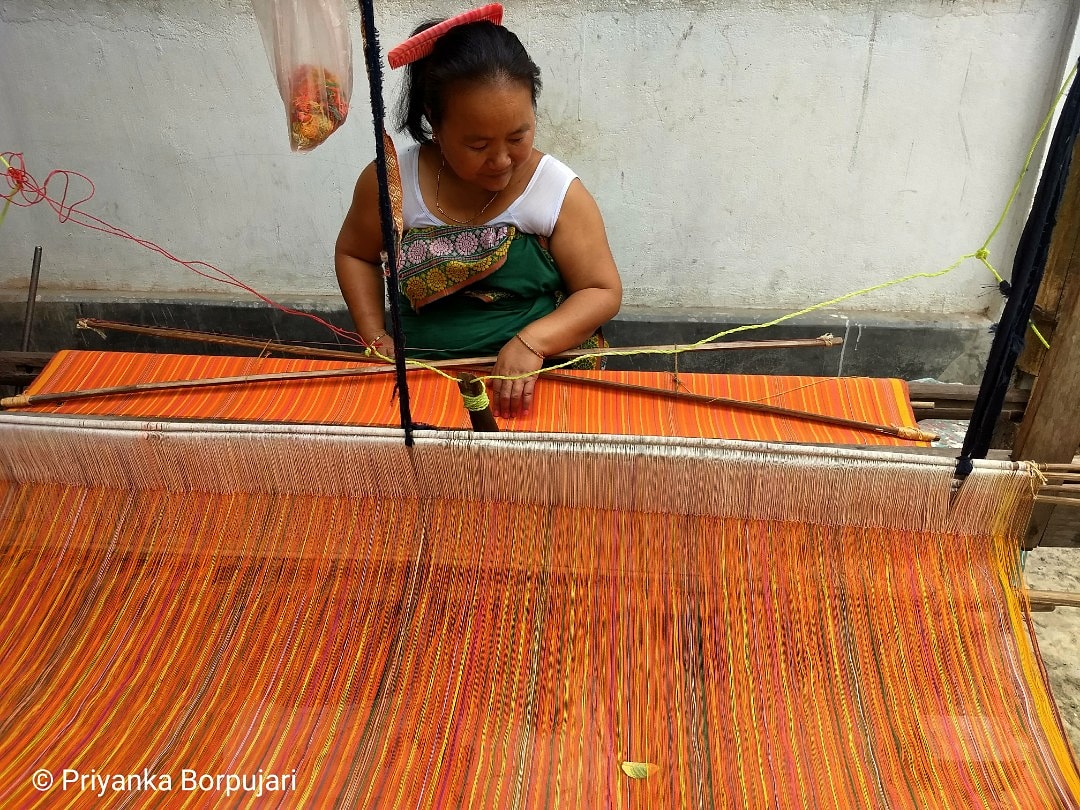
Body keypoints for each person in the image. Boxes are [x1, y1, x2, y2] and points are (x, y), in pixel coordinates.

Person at [335, 9, 621, 418]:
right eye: (478, 145)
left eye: (518, 136)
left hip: (535, 386)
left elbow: (601, 290)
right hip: (422, 385)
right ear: (434, 120)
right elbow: (356, 254)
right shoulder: (393, 183)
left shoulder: (556, 191)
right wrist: (376, 335)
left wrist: (532, 342)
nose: (502, 160)